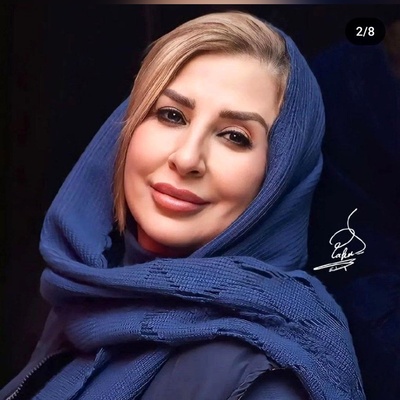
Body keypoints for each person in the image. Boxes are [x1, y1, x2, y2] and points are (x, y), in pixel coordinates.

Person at [1, 11, 365, 400]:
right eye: (172, 115)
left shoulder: (267, 378)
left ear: (280, 177)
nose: (187, 158)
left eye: (234, 136)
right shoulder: (81, 297)